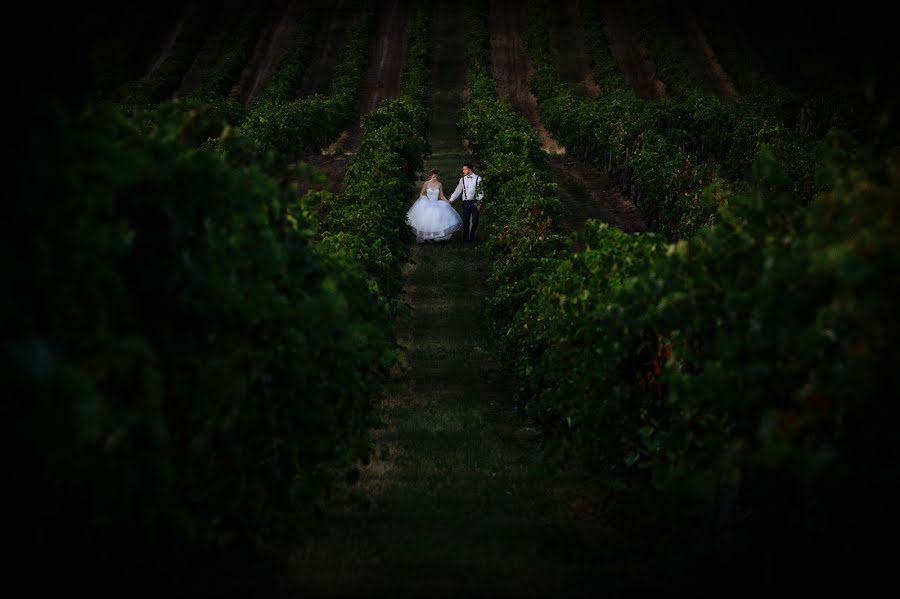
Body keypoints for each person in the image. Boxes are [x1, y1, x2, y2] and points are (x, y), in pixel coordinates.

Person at [406, 169, 462, 243]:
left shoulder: (439, 184)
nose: (435, 178)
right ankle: (426, 237)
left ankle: (434, 237)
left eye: (436, 177)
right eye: (434, 177)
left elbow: (441, 195)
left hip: (436, 203)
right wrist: (423, 199)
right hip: (428, 203)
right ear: (430, 177)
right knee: (426, 220)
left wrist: (447, 201)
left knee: (437, 220)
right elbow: (422, 193)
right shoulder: (426, 184)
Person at [448, 163, 484, 242]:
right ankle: (466, 238)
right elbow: (458, 190)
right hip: (466, 202)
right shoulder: (463, 179)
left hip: (474, 201)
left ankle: (472, 235)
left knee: (475, 220)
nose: (463, 171)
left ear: (469, 169)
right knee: (466, 220)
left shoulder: (478, 178)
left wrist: (479, 203)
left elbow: (480, 191)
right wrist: (451, 199)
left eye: (465, 169)